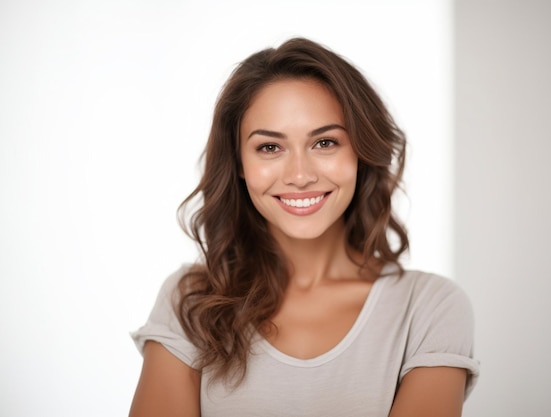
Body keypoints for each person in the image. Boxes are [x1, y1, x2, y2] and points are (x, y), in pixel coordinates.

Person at [129, 37, 479, 417]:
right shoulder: (191, 301)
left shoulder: (429, 308)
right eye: (269, 148)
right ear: (240, 165)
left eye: (325, 142)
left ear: (360, 153)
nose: (299, 175)